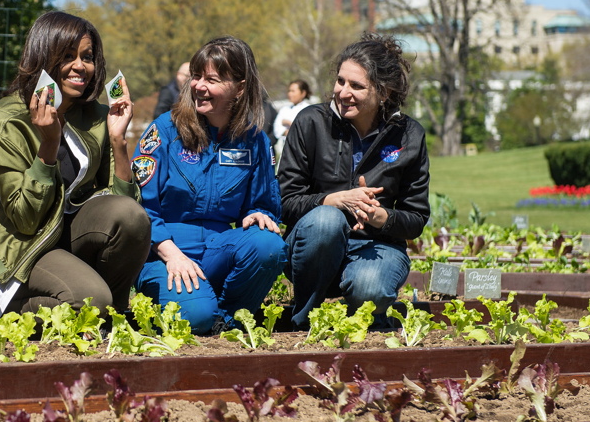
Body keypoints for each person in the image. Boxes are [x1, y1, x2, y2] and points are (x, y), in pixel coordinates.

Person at [0, 11, 150, 315]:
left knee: (130, 217)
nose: (80, 66)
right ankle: (3, 313)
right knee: (89, 300)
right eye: (67, 56)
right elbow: (24, 218)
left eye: (87, 57)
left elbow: (129, 214)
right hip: (16, 240)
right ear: (43, 57)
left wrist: (118, 140)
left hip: (64, 232)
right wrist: (49, 145)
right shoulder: (8, 118)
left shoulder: (97, 117)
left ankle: (113, 317)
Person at [133, 36, 286, 334]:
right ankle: (204, 311)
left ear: (239, 88)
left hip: (218, 250)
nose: (199, 86)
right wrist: (172, 254)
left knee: (268, 244)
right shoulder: (163, 130)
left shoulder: (254, 140)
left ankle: (225, 320)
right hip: (164, 254)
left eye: (212, 79)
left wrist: (257, 212)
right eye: (197, 76)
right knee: (196, 317)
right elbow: (139, 208)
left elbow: (264, 204)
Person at [278, 33, 430, 330]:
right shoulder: (310, 122)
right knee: (326, 220)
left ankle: (355, 324)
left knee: (369, 292)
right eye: (340, 81)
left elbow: (416, 217)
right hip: (314, 245)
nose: (342, 92)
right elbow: (283, 200)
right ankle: (303, 317)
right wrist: (331, 200)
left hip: (377, 245)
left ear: (383, 92)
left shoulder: (409, 135)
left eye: (356, 86)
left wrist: (379, 216)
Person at [273, 79, 314, 159]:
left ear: (303, 93)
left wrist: (288, 123)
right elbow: (277, 128)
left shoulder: (309, 109)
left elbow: (306, 130)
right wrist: (286, 131)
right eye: (289, 91)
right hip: (284, 149)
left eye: (293, 91)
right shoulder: (284, 109)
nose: (290, 94)